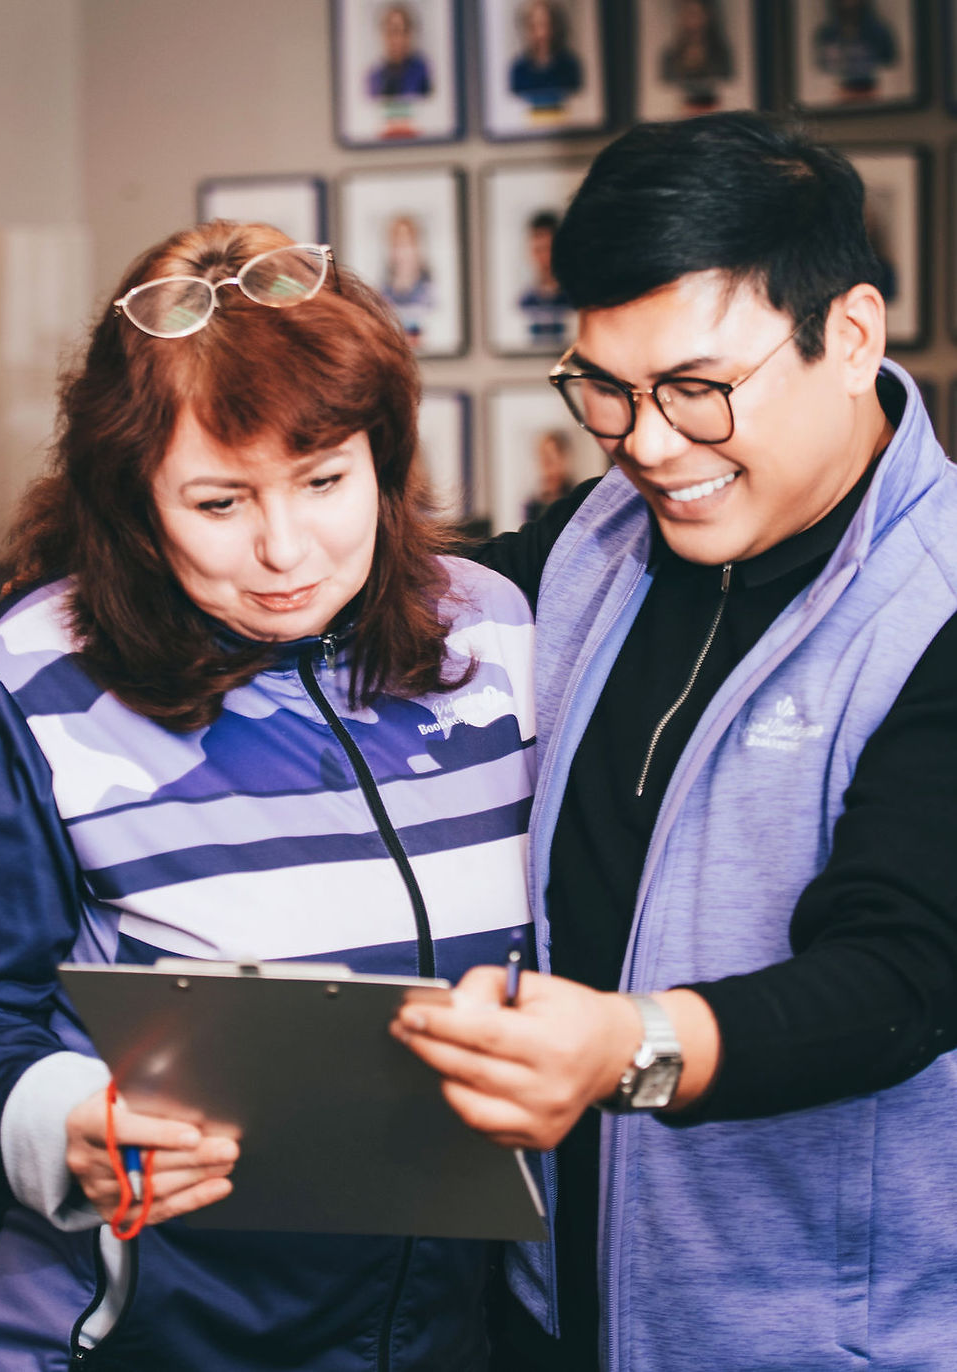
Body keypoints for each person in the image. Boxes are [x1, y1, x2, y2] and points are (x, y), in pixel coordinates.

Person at [392, 110, 957, 1370]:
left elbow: (901, 975)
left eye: (698, 390)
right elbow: (395, 616)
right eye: (604, 387)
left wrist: (624, 1048)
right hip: (551, 1312)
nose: (647, 443)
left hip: (815, 1341)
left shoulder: (942, 600)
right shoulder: (594, 540)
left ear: (849, 335)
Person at [0, 220, 536, 1370]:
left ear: (382, 456)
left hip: (452, 1339)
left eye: (324, 479)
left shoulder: (500, 636)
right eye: (219, 503)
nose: (284, 550)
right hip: (147, 1338)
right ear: (134, 499)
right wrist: (57, 1121)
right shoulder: (27, 684)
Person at [659, 0, 734, 111]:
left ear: (708, 16)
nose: (693, 21)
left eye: (697, 14)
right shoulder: (669, 56)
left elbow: (728, 83)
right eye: (688, 13)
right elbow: (665, 87)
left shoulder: (721, 54)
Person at [813, 0, 898, 98]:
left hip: (872, 91)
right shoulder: (827, 33)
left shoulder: (878, 31)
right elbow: (822, 65)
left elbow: (889, 58)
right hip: (838, 91)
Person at [509, 0, 583, 113]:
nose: (541, 33)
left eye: (546, 25)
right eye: (534, 26)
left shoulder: (570, 65)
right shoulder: (519, 69)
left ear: (556, 26)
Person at [517, 210, 571, 348]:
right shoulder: (525, 301)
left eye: (547, 249)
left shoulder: (574, 300)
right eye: (537, 249)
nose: (542, 258)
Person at [381, 213, 433, 347]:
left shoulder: (429, 291)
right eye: (397, 245)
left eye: (407, 244)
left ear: (417, 247)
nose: (402, 252)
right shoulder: (383, 294)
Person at [367, 3, 431, 100]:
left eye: (404, 31)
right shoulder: (375, 77)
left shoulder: (422, 72)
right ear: (385, 35)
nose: (399, 39)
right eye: (394, 31)